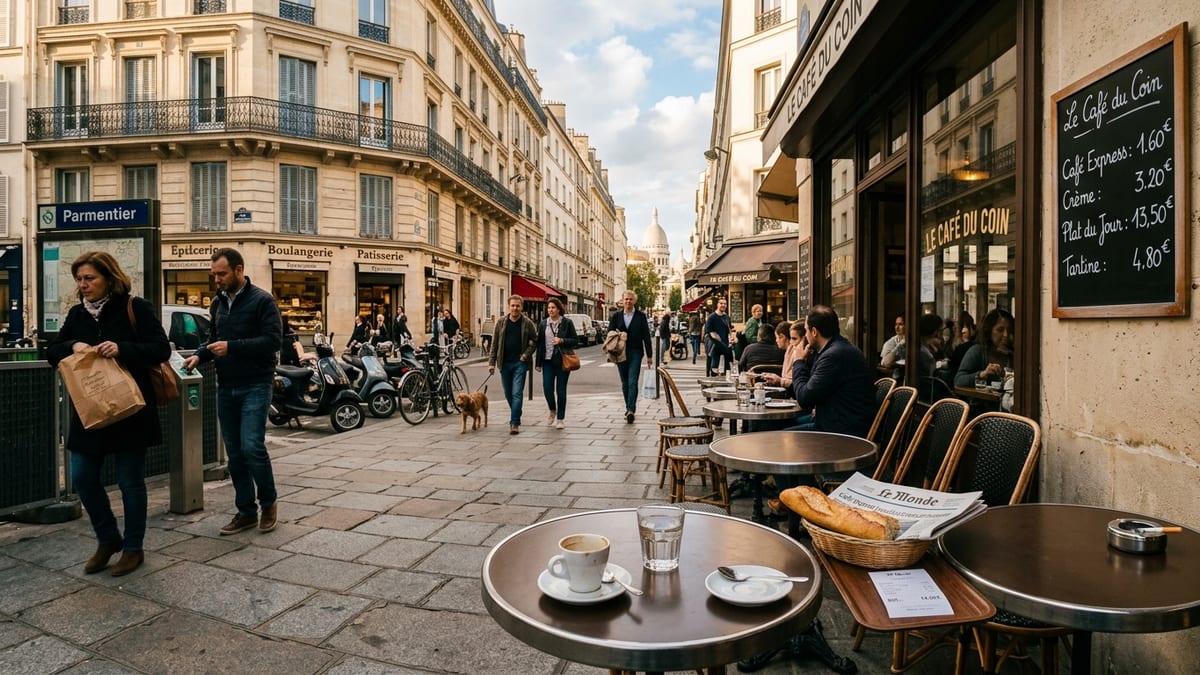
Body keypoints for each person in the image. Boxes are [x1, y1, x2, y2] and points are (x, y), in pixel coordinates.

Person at [46, 251, 170, 577]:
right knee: (83, 478)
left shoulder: (134, 307)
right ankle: (107, 537)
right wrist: (71, 345)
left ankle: (133, 548)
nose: (83, 285)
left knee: (130, 482)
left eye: (90, 278)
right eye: (79, 279)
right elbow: (52, 351)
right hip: (90, 413)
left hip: (130, 410)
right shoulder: (76, 315)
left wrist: (122, 348)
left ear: (109, 278)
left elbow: (161, 348)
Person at [183, 247, 283, 535]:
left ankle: (269, 502)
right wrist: (200, 356)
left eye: (222, 274)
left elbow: (272, 342)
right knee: (236, 454)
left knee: (252, 446)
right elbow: (214, 339)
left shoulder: (263, 301)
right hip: (226, 386)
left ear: (239, 270)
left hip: (256, 383)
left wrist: (233, 347)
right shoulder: (217, 303)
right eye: (214, 274)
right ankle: (246, 512)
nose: (217, 279)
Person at [789, 305, 875, 437]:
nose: (805, 336)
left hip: (843, 433)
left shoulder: (833, 356)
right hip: (836, 422)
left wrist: (798, 361)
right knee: (783, 425)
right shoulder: (835, 348)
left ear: (814, 332)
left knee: (783, 439)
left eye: (806, 331)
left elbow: (804, 398)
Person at [488, 295, 537, 434]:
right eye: (513, 305)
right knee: (508, 393)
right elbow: (495, 343)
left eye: (518, 306)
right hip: (504, 363)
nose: (515, 308)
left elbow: (534, 342)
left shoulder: (527, 323)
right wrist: (491, 363)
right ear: (508, 307)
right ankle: (517, 411)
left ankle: (514, 423)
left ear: (521, 307)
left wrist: (525, 356)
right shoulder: (501, 322)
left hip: (519, 363)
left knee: (517, 393)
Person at [607, 290, 653, 423]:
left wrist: (649, 355)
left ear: (634, 301)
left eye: (630, 299)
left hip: (636, 352)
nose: (628, 301)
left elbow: (646, 336)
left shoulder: (640, 316)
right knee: (625, 382)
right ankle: (628, 407)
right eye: (626, 299)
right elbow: (609, 332)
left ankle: (631, 409)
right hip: (620, 352)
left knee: (633, 381)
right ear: (622, 301)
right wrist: (618, 334)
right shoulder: (616, 316)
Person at [535, 297, 578, 429]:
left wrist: (562, 341)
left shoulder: (567, 322)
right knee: (547, 389)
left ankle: (560, 419)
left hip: (562, 361)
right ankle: (552, 410)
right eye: (549, 308)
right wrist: (538, 363)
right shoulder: (543, 324)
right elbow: (540, 344)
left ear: (559, 309)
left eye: (553, 308)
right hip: (547, 361)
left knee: (561, 390)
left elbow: (575, 340)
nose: (551, 310)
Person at [954, 308, 1014, 388]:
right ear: (988, 331)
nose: (1006, 335)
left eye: (1009, 330)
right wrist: (982, 374)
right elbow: (958, 381)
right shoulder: (977, 351)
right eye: (1000, 330)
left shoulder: (1012, 354)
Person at [704, 297, 733, 376]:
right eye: (721, 303)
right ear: (717, 304)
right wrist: (718, 340)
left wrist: (731, 339)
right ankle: (714, 376)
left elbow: (729, 329)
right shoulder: (712, 317)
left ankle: (727, 376)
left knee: (729, 361)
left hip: (725, 342)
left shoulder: (726, 317)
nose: (723, 305)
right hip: (715, 343)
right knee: (715, 360)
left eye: (725, 303)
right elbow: (709, 331)